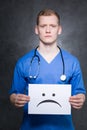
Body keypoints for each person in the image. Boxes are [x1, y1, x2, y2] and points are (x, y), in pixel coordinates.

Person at [9, 9, 86, 130]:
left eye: (53, 26)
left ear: (59, 29)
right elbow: (14, 94)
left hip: (64, 127)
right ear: (36, 29)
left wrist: (80, 99)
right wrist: (15, 99)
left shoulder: (72, 62)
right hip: (30, 127)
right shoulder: (23, 62)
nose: (48, 30)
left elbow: (80, 93)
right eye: (43, 26)